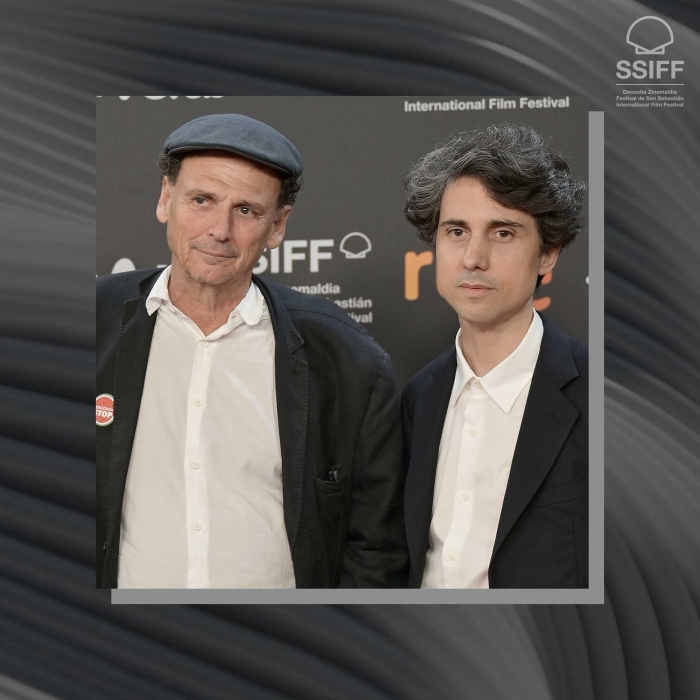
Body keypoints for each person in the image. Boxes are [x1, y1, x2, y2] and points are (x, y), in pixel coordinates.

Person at [96, 113, 408, 589]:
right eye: (202, 200)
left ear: (277, 226)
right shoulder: (90, 320)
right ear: (165, 199)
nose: (220, 229)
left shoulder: (346, 358)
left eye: (246, 210)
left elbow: (376, 549)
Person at [401, 124, 588, 589]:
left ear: (547, 254)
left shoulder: (601, 396)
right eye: (456, 231)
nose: (473, 258)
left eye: (502, 232)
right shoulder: (416, 400)